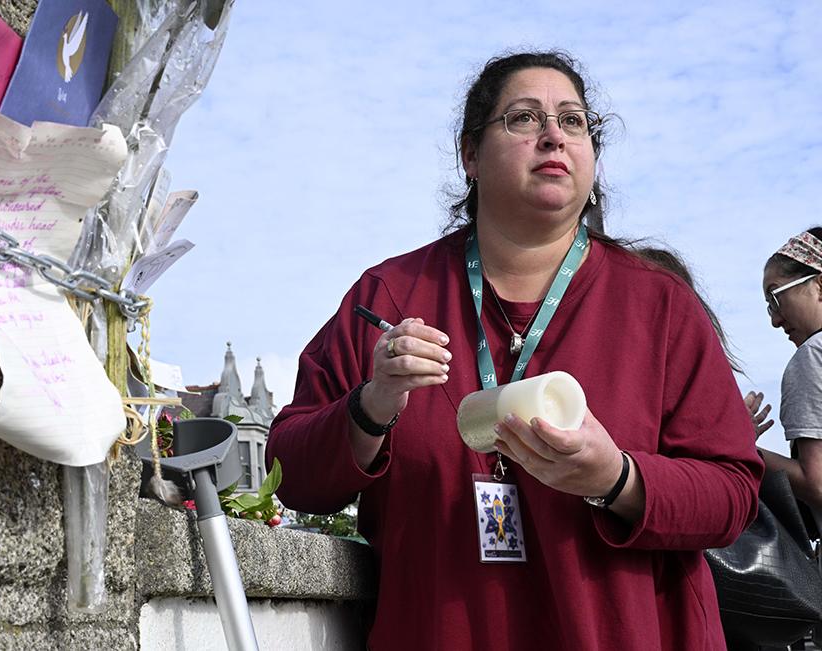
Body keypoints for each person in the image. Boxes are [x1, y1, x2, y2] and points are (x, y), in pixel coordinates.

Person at [266, 50, 763, 651]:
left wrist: (617, 478)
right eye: (524, 118)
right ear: (470, 155)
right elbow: (289, 476)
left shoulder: (659, 304)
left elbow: (732, 496)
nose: (553, 135)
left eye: (573, 121)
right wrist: (372, 405)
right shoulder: (392, 295)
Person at [750, 227, 822, 535]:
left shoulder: (813, 354)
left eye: (775, 297)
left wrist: (739, 447)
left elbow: (816, 482)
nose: (775, 320)